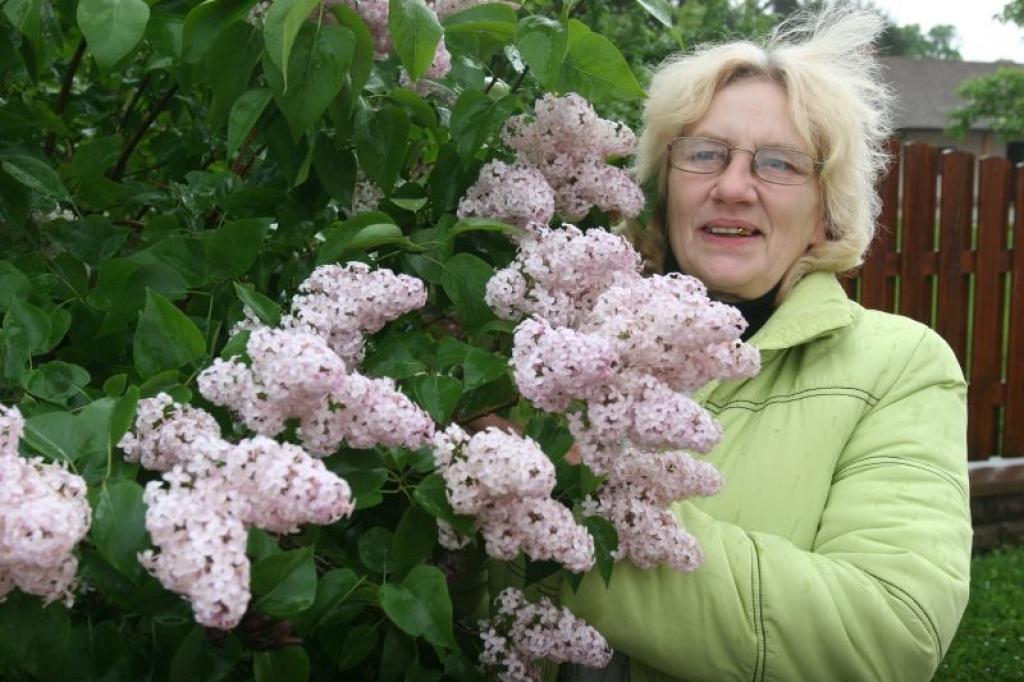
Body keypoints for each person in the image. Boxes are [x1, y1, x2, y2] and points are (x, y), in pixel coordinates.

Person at [559, 8, 972, 682]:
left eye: (778, 164)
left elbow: (889, 633)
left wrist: (562, 525)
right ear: (664, 185)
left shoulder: (900, 366)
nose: (732, 187)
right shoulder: (563, 344)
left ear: (825, 211)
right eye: (704, 153)